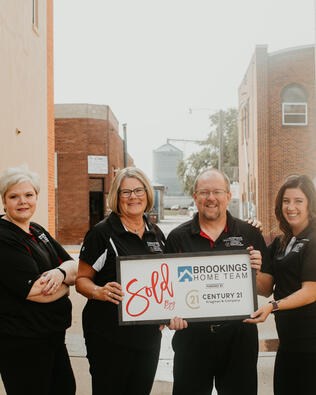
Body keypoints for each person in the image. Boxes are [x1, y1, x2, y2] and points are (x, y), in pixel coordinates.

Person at [166, 168, 269, 395]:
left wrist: (255, 272)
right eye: (204, 192)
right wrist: (168, 316)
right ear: (195, 197)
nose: (210, 198)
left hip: (239, 338)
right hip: (191, 339)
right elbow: (167, 292)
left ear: (228, 196)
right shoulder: (177, 237)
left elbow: (266, 288)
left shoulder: (250, 233)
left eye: (217, 192)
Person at [76, 167, 166, 395]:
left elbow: (166, 281)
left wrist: (166, 309)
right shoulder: (101, 233)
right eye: (125, 192)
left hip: (147, 337)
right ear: (116, 197)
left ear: (147, 194)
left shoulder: (156, 233)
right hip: (108, 337)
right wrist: (98, 291)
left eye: (138, 190)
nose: (133, 197)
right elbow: (81, 280)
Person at [0, 165, 77, 395]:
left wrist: (60, 274)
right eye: (14, 196)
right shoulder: (4, 237)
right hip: (23, 344)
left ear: (36, 197)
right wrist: (66, 285)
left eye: (28, 195)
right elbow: (37, 291)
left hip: (53, 338)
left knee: (65, 389)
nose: (23, 201)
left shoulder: (37, 230)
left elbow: (74, 266)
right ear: (4, 200)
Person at [245, 174, 316, 395]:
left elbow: (310, 291)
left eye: (298, 201)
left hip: (311, 344)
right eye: (286, 201)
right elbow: (265, 288)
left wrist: (272, 307)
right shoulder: (280, 242)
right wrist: (250, 238)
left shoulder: (313, 239)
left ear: (310, 204)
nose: (291, 207)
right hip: (288, 343)